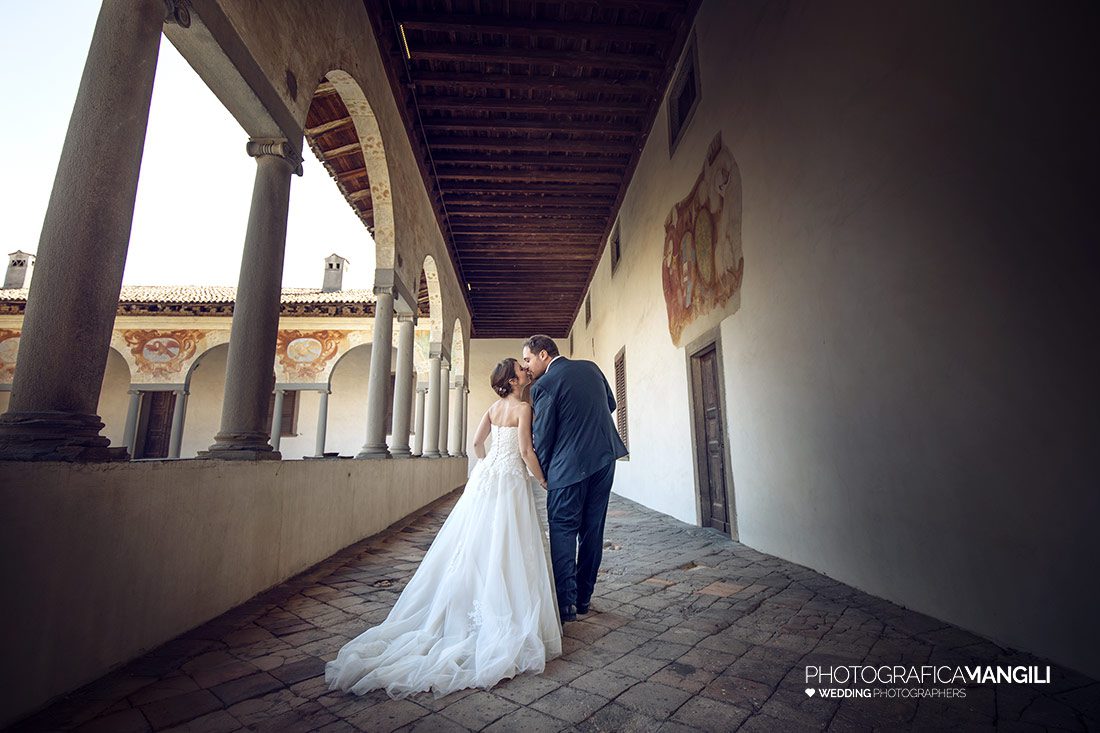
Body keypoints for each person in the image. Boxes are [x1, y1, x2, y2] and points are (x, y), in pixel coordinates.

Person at [325, 358, 562, 699]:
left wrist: (488, 467)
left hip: (487, 479)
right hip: (510, 481)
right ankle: (504, 606)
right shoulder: (524, 409)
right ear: (511, 381)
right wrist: (542, 479)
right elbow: (525, 450)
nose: (526, 371)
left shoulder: (493, 409)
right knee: (508, 541)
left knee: (477, 541)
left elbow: (477, 445)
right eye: (520, 370)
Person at [522, 335, 629, 623]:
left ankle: (566, 605)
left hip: (567, 468)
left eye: (528, 360)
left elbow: (542, 436)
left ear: (544, 354)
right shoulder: (591, 368)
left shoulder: (543, 385)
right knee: (593, 530)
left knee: (563, 529)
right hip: (604, 459)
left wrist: (544, 475)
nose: (526, 366)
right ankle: (584, 599)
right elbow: (610, 403)